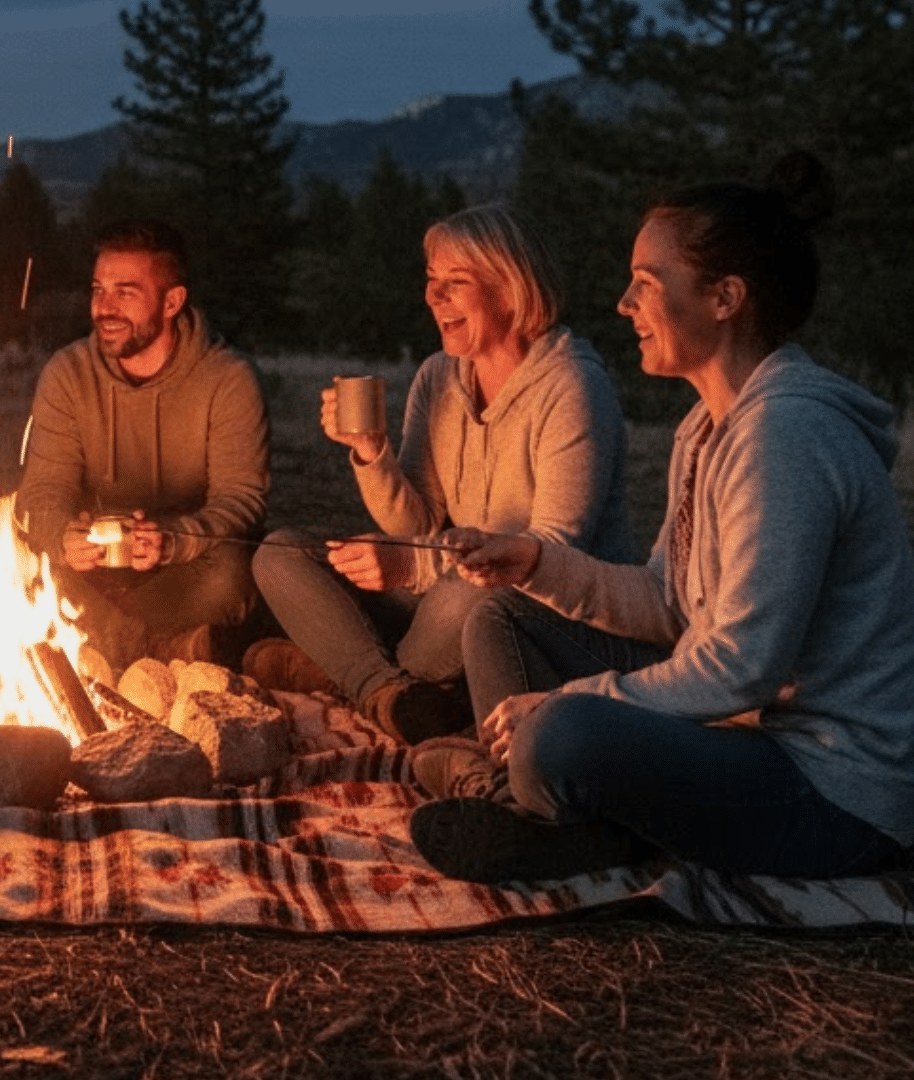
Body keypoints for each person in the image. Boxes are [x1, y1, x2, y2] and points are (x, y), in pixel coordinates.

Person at [410, 155, 914, 883]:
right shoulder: (707, 429)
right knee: (503, 614)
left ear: (725, 298)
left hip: (831, 793)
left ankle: (536, 803)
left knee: (563, 731)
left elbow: (742, 668)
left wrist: (566, 697)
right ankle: (538, 810)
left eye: (646, 285)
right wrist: (532, 562)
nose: (624, 304)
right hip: (747, 741)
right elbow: (668, 602)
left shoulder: (786, 437)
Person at [246, 204, 637, 743]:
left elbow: (554, 550)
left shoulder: (571, 385)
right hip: (446, 583)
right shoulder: (439, 376)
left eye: (455, 283)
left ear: (511, 289)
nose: (433, 298)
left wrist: (410, 566)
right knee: (281, 553)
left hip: (536, 606)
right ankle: (389, 691)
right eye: (432, 281)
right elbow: (417, 519)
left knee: (465, 599)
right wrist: (369, 450)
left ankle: (351, 673)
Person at [15, 220, 269, 669]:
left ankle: (104, 644)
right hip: (94, 572)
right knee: (18, 559)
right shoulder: (68, 373)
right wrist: (62, 536)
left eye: (125, 293)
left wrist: (176, 540)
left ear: (172, 301)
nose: (104, 308)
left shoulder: (227, 378)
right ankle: (164, 649)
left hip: (182, 570)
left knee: (237, 571)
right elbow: (43, 491)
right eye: (98, 290)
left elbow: (242, 500)